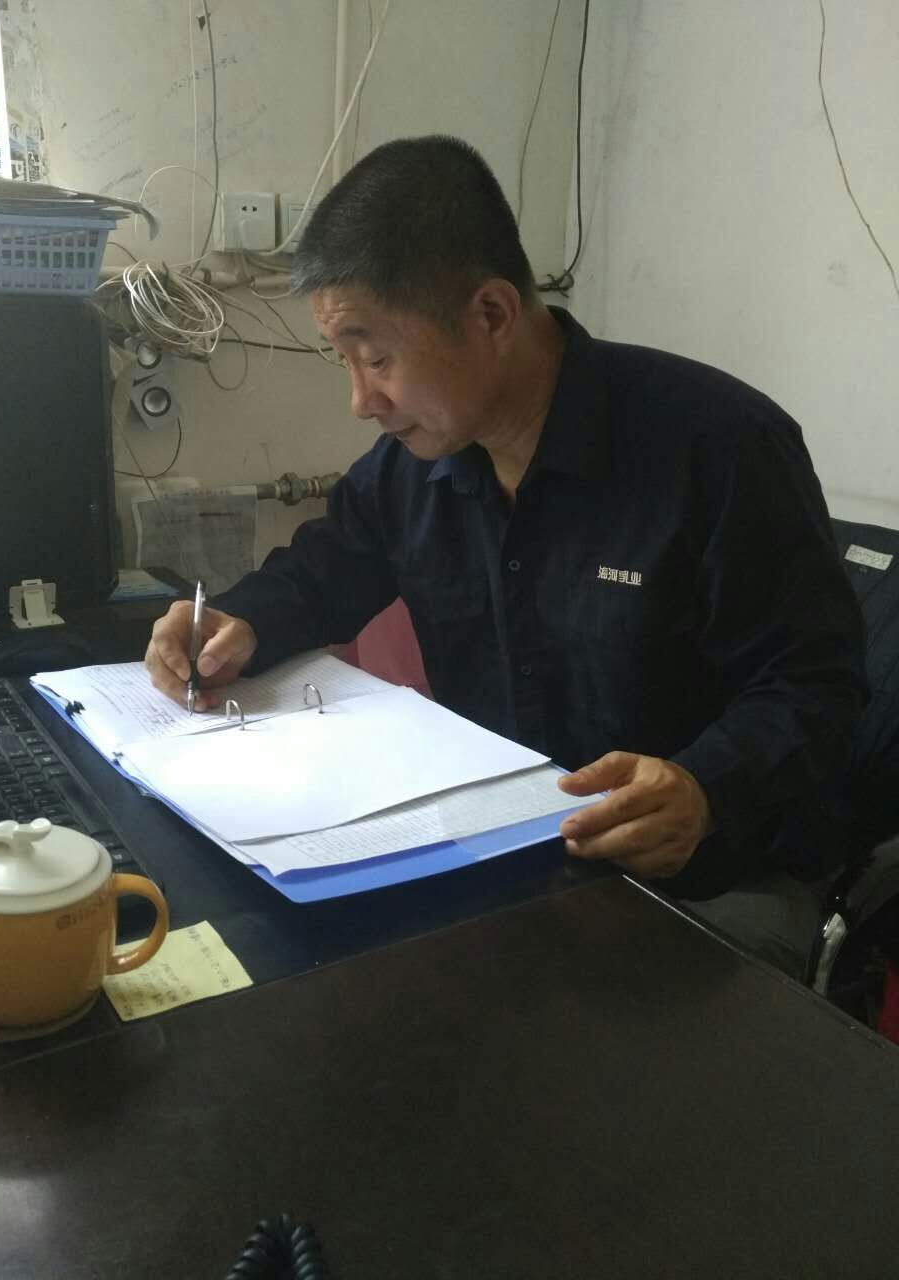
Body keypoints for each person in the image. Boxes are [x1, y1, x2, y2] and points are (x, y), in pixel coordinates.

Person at [145, 135, 867, 979]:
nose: (360, 400)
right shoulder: (414, 468)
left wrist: (705, 788)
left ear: (490, 314)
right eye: (345, 361)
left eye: (377, 358)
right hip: (501, 868)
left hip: (700, 882)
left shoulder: (719, 447)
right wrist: (237, 621)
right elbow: (324, 570)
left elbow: (818, 683)